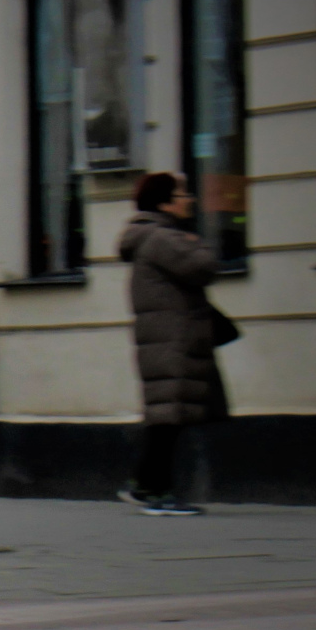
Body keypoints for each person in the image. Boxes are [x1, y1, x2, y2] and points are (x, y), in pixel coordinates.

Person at [117, 171, 227, 516]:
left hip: (166, 339)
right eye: (183, 194)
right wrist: (198, 242)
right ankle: (152, 490)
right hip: (172, 340)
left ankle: (147, 486)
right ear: (164, 202)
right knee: (168, 418)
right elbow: (204, 266)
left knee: (168, 418)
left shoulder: (151, 237)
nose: (190, 199)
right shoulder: (161, 238)